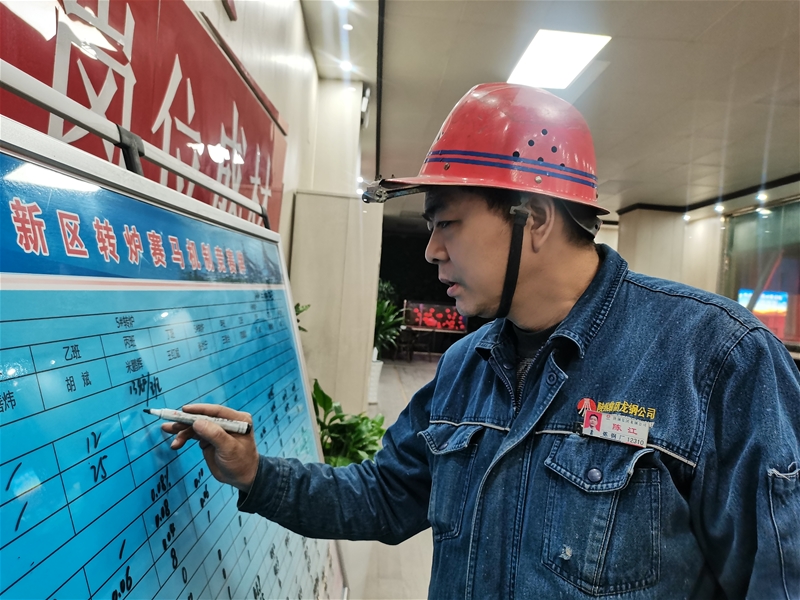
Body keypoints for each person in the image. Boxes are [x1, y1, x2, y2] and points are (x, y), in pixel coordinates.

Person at [164, 84, 800, 598]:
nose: (432, 251)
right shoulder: (467, 366)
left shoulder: (716, 359)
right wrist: (255, 474)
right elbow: (385, 496)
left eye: (448, 224)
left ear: (536, 219)